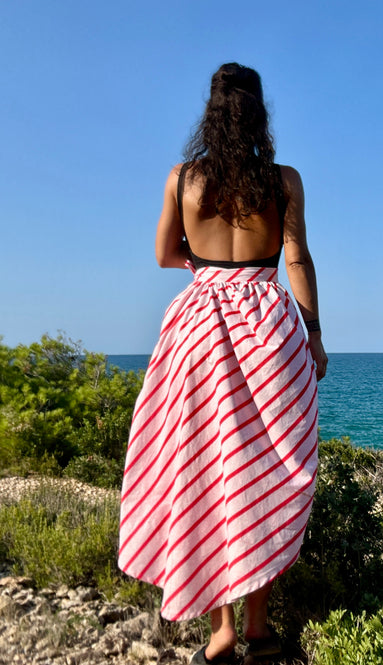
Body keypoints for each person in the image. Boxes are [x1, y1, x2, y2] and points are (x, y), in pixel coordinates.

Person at [118, 63, 327, 665]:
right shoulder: (283, 179)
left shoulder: (183, 178)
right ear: (261, 112)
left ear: (210, 113)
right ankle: (259, 628)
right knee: (267, 471)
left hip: (200, 329)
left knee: (207, 473)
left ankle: (223, 631)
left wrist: (204, 266)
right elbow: (297, 259)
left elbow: (164, 255)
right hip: (269, 327)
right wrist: (312, 332)